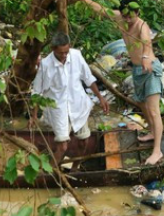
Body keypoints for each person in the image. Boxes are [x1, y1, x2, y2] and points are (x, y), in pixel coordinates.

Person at [64, 0, 164, 165]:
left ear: (138, 14)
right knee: (141, 103)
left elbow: (147, 43)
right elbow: (99, 9)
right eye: (124, 17)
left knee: (154, 110)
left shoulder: (142, 26)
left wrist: (147, 57)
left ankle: (157, 151)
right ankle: (152, 133)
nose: (127, 21)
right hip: (137, 70)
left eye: (130, 18)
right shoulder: (120, 17)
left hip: (150, 69)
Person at [31, 32, 110, 163]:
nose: (64, 56)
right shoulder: (45, 65)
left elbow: (88, 78)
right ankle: (50, 174)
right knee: (62, 146)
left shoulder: (76, 56)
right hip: (58, 109)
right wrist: (33, 116)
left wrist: (100, 98)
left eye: (66, 52)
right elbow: (37, 92)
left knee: (84, 141)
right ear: (53, 49)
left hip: (78, 105)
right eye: (60, 53)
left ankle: (75, 168)